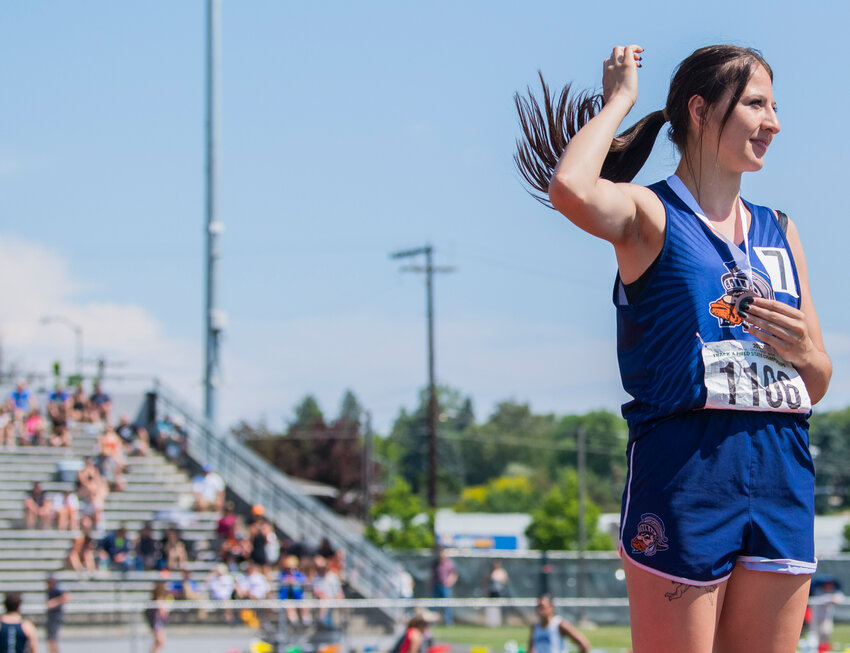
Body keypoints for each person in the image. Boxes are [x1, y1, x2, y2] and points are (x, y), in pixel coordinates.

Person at [514, 44, 831, 652]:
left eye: (775, 106)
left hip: (782, 472)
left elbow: (816, 381)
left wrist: (806, 353)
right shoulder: (650, 213)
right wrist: (621, 101)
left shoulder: (781, 230)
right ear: (701, 111)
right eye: (757, 105)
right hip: (687, 474)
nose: (775, 123)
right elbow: (571, 187)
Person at [430, 548, 457, 625]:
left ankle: (448, 622)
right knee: (435, 605)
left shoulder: (449, 563)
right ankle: (434, 622)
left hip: (445, 586)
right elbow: (432, 576)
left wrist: (450, 581)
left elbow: (454, 574)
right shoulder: (435, 563)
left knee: (447, 605)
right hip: (436, 585)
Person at [45, 576, 70, 653]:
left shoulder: (57, 589)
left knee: (53, 637)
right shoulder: (50, 590)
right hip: (51, 616)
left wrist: (54, 602)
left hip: (55, 616)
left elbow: (67, 596)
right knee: (50, 638)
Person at [146, 582, 169, 653]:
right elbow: (163, 612)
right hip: (156, 623)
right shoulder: (158, 599)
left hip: (157, 623)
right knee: (160, 641)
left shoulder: (159, 598)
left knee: (160, 642)